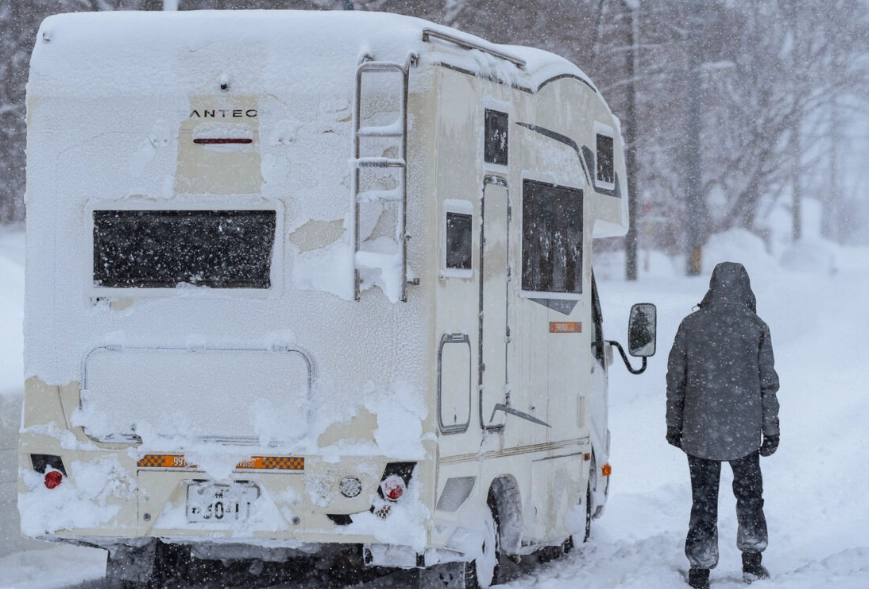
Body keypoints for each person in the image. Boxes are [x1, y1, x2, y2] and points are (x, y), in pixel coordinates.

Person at [665, 262, 780, 589]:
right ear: (746, 287)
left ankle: (700, 569)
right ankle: (753, 562)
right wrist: (770, 429)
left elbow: (676, 380)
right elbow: (767, 384)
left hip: (699, 429)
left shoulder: (691, 325)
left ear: (713, 286)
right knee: (749, 496)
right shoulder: (756, 326)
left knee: (703, 500)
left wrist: (675, 423)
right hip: (744, 430)